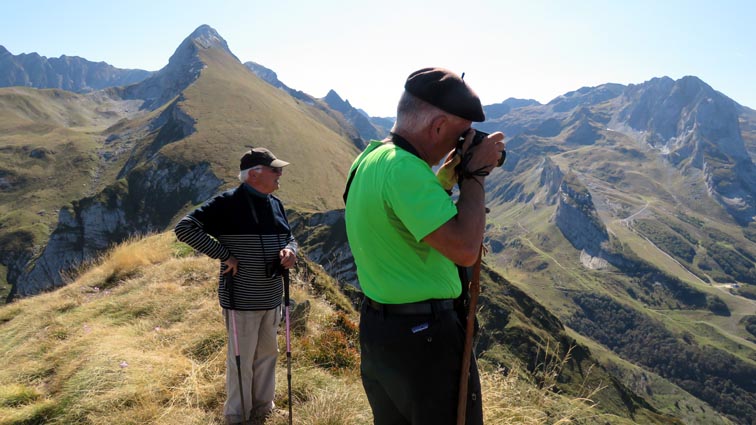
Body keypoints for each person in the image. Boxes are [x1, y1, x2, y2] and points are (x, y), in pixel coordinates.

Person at [344, 67, 505, 424]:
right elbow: (464, 249)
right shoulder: (405, 170)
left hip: (380, 332)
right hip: (425, 341)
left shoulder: (370, 158)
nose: (460, 145)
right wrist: (475, 175)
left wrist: (446, 181)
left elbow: (406, 219)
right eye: (459, 135)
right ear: (436, 126)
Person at [174, 147, 298, 425]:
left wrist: (291, 251)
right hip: (240, 297)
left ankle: (263, 407)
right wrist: (223, 254)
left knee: (268, 353)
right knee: (240, 360)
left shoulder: (275, 203)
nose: (280, 174)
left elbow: (290, 236)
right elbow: (184, 228)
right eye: (274, 170)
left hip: (272, 295)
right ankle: (236, 415)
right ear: (254, 174)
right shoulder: (226, 203)